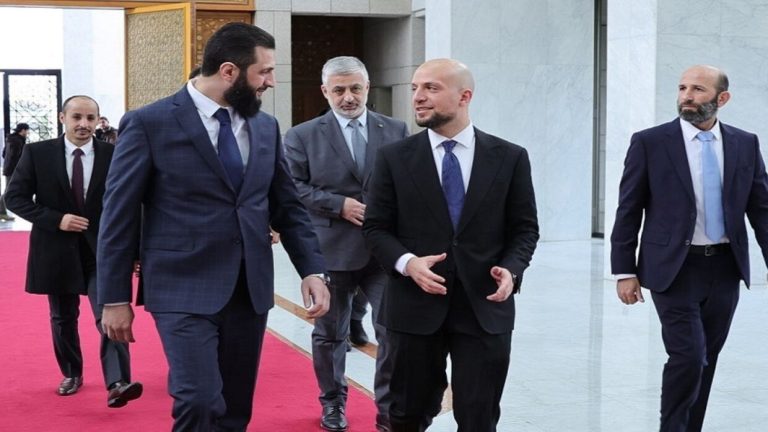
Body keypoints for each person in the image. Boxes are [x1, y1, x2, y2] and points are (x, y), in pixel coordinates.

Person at [96, 23, 331, 431]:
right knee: (199, 399)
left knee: (235, 409)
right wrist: (114, 298)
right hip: (180, 287)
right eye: (264, 71)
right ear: (228, 71)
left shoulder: (265, 126)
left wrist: (312, 269)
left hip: (249, 289)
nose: (271, 82)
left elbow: (287, 206)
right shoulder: (149, 123)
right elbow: (118, 214)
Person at [362, 58, 539, 432]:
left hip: (484, 308)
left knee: (479, 417)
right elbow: (376, 227)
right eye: (415, 88)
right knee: (406, 415)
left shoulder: (509, 157)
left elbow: (524, 230)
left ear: (464, 96)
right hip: (413, 308)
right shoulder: (394, 157)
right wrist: (407, 262)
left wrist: (512, 269)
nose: (418, 97)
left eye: (431, 87)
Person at [610, 65, 768, 432]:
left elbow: (761, 208)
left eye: (698, 89)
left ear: (721, 98)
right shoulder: (650, 142)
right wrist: (624, 270)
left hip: (725, 268)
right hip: (674, 268)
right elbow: (629, 208)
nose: (687, 96)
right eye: (682, 88)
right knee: (689, 356)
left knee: (707, 358)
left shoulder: (745, 143)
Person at [284, 55, 409, 432]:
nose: (348, 97)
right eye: (339, 90)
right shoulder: (302, 135)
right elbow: (292, 187)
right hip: (330, 251)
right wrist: (338, 205)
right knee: (330, 334)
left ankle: (388, 408)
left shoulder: (396, 129)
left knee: (393, 332)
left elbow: (408, 183)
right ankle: (333, 402)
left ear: (367, 87)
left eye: (355, 88)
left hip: (383, 252)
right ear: (325, 91)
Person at [4, 96, 142, 407]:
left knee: (109, 312)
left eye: (90, 118)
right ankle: (72, 373)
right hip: (56, 250)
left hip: (103, 251)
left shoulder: (114, 154)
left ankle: (118, 381)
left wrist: (136, 250)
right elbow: (14, 198)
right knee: (63, 317)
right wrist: (57, 220)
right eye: (77, 117)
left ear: (97, 120)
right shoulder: (37, 153)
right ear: (62, 118)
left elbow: (132, 204)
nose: (84, 124)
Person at [0, 122, 30, 221]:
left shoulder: (11, 139)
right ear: (23, 130)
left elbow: (4, 154)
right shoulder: (18, 141)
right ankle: (1, 212)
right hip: (13, 169)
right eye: (27, 130)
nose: (28, 133)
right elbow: (17, 156)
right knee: (8, 191)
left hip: (9, 168)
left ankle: (3, 211)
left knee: (10, 190)